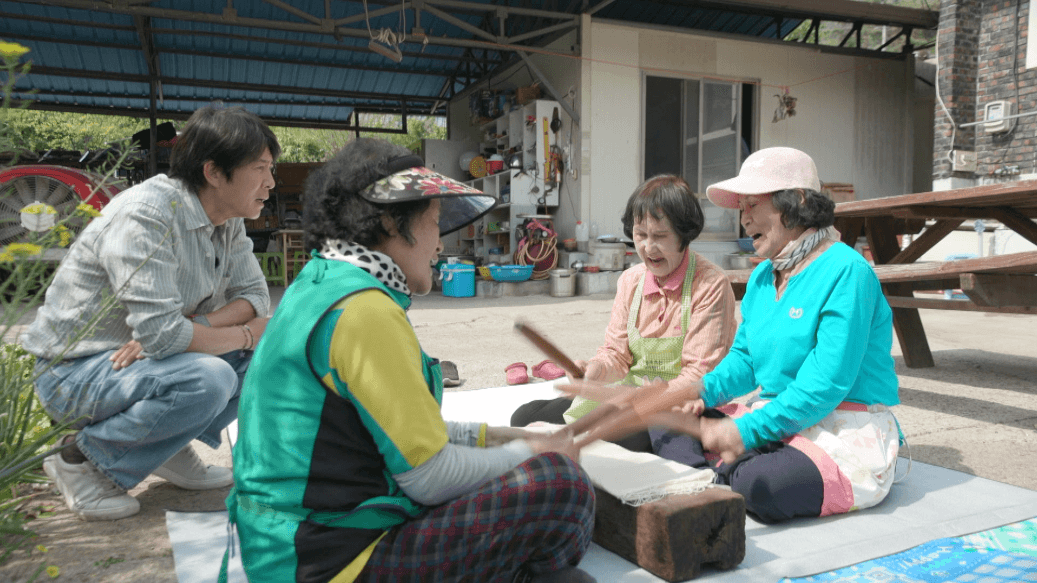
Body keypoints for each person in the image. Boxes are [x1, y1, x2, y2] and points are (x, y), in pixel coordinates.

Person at [226, 138, 596, 583]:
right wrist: (533, 452)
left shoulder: (322, 282)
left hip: (282, 545)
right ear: (388, 220)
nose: (440, 245)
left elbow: (412, 433)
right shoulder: (365, 312)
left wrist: (510, 436)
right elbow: (430, 475)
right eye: (435, 223)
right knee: (563, 485)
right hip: (327, 558)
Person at [568, 147, 901, 524]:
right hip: (773, 414)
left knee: (763, 485)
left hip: (839, 423)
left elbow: (825, 385)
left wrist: (743, 430)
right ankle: (706, 487)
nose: (744, 220)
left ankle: (707, 481)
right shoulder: (763, 276)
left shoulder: (847, 272)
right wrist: (696, 394)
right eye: (741, 208)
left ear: (798, 203)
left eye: (752, 206)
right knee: (664, 412)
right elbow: (745, 359)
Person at [22, 105, 278, 521]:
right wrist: (249, 335)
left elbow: (254, 298)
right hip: (75, 372)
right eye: (260, 168)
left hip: (142, 366)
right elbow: (164, 338)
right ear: (214, 172)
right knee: (210, 376)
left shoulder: (227, 219)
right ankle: (81, 461)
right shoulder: (147, 214)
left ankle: (166, 448)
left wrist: (196, 327)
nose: (270, 182)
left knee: (270, 361)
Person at [512, 174, 737, 462]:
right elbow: (616, 356)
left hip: (680, 406)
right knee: (525, 417)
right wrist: (593, 370)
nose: (647, 247)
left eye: (660, 236)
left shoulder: (711, 284)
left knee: (619, 437)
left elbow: (698, 376)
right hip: (626, 398)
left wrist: (638, 401)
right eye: (641, 235)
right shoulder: (631, 280)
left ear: (684, 235)